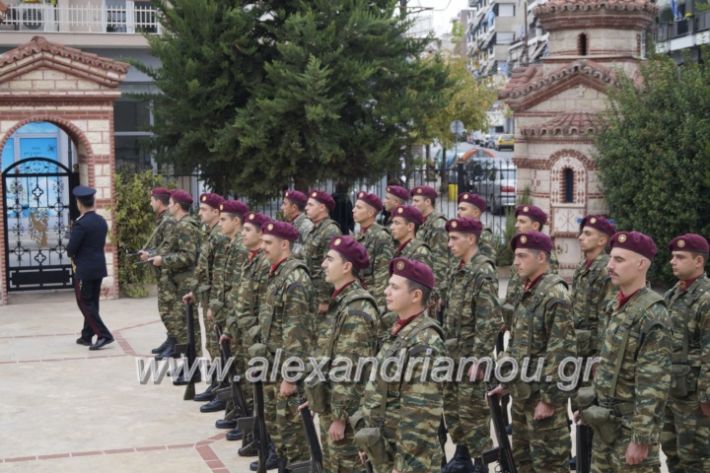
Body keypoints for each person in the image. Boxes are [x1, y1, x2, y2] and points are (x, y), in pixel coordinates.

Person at [581, 231, 671, 473]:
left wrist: (641, 438)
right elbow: (608, 363)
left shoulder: (652, 313)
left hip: (630, 430)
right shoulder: (616, 305)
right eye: (611, 258)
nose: (610, 265)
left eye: (619, 260)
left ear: (641, 264)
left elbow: (653, 383)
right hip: (606, 424)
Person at [488, 231, 576, 473]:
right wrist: (506, 381)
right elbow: (517, 344)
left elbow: (562, 352)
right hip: (522, 396)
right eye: (515, 256)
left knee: (548, 465)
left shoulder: (554, 294)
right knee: (523, 463)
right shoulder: (528, 292)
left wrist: (549, 400)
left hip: (542, 401)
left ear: (541, 258)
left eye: (522, 256)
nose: (516, 261)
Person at [353, 257, 445, 473]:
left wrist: (404, 468)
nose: (386, 291)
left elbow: (420, 416)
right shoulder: (398, 333)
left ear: (416, 296)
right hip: (385, 452)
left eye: (394, 287)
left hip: (408, 462)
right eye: (388, 285)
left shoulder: (425, 343)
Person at [310, 235, 380, 473]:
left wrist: (340, 417)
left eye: (330, 259)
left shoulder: (356, 309)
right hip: (333, 405)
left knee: (345, 466)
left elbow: (351, 367)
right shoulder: (342, 302)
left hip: (348, 416)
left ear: (347, 266)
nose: (323, 264)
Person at [250, 220, 314, 470]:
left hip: (286, 369)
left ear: (284, 245)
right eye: (263, 241)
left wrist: (290, 376)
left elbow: (296, 333)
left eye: (268, 243)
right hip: (273, 363)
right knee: (278, 429)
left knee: (293, 433)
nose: (263, 247)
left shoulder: (295, 278)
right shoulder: (278, 271)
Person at [441, 217, 501, 473]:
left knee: (473, 413)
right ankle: (463, 456)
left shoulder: (482, 270)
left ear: (471, 239)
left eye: (455, 238)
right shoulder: (458, 268)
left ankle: (481, 464)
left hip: (470, 358)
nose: (449, 243)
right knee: (454, 410)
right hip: (454, 356)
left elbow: (488, 320)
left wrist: (479, 359)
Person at [221, 212, 272, 458]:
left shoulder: (263, 263)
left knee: (258, 393)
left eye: (248, 230)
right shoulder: (250, 259)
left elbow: (263, 308)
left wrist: (252, 334)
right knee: (246, 386)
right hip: (241, 334)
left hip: (254, 339)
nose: (243, 233)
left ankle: (264, 442)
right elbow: (239, 299)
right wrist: (231, 328)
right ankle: (254, 438)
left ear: (262, 234)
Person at [195, 199, 249, 415]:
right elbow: (218, 275)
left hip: (229, 309)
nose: (221, 223)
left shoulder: (237, 245)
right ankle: (222, 393)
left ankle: (229, 401)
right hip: (219, 303)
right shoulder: (229, 241)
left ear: (236, 221)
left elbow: (235, 285)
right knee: (219, 351)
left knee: (229, 357)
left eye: (224, 219)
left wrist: (217, 306)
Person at [661, 233, 710, 473]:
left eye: (680, 257)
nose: (673, 261)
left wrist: (707, 397)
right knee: (673, 455)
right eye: (672, 256)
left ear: (699, 261)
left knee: (697, 459)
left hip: (695, 398)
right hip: (672, 392)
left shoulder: (706, 298)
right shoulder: (672, 295)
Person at [150, 190, 202, 377]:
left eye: (170, 203)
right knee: (183, 327)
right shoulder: (182, 224)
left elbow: (188, 256)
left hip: (185, 283)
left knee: (187, 327)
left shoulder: (185, 226)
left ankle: (193, 368)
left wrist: (163, 260)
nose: (168, 206)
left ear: (178, 205)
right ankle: (189, 365)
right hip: (179, 282)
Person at [181, 193, 228, 366]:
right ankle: (218, 383)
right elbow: (203, 269)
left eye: (203, 209)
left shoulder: (220, 236)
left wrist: (214, 304)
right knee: (211, 343)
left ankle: (222, 385)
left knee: (217, 343)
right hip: (207, 296)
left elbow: (219, 274)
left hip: (215, 299)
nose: (199, 213)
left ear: (216, 212)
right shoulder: (208, 233)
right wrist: (194, 291)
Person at [68, 185, 113, 350]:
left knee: (84, 302)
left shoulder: (80, 224)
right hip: (98, 267)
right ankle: (87, 335)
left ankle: (103, 334)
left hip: (84, 270)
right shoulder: (101, 221)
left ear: (79, 203)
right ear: (92, 201)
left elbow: (71, 249)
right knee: (92, 302)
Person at [572, 215, 616, 362]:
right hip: (577, 342)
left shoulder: (606, 269)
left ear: (602, 241)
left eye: (587, 234)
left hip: (593, 347)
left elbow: (607, 315)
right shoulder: (582, 266)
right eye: (582, 232)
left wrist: (600, 356)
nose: (580, 237)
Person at [139, 187, 176, 355]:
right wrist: (150, 253)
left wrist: (151, 254)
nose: (150, 203)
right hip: (163, 273)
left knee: (169, 311)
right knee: (165, 310)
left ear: (159, 202)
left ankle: (174, 344)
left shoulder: (168, 220)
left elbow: (168, 247)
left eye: (152, 200)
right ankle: (171, 340)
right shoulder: (162, 218)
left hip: (169, 273)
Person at [303, 190, 342, 336]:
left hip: (320, 298)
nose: (306, 208)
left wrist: (325, 300)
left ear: (322, 208)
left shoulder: (330, 230)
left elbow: (332, 267)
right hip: (311, 294)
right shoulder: (315, 230)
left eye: (310, 204)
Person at [353, 191, 394, 309]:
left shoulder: (381, 236)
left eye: (359, 207)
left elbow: (383, 275)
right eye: (355, 206)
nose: (353, 210)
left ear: (370, 213)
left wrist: (378, 307)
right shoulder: (359, 235)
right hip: (358, 294)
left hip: (371, 297)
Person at [410, 185, 449, 289]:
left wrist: (433, 288)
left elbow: (440, 260)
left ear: (428, 202)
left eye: (416, 201)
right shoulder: (420, 221)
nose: (412, 204)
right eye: (413, 201)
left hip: (430, 282)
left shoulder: (438, 224)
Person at [456, 192, 496, 260]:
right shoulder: (458, 231)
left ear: (476, 213)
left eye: (463, 209)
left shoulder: (483, 234)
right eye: (458, 209)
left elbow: (485, 261)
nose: (458, 213)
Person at [281, 190, 313, 258]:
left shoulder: (306, 226)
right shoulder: (291, 223)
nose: (282, 207)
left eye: (285, 204)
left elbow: (309, 252)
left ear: (294, 208)